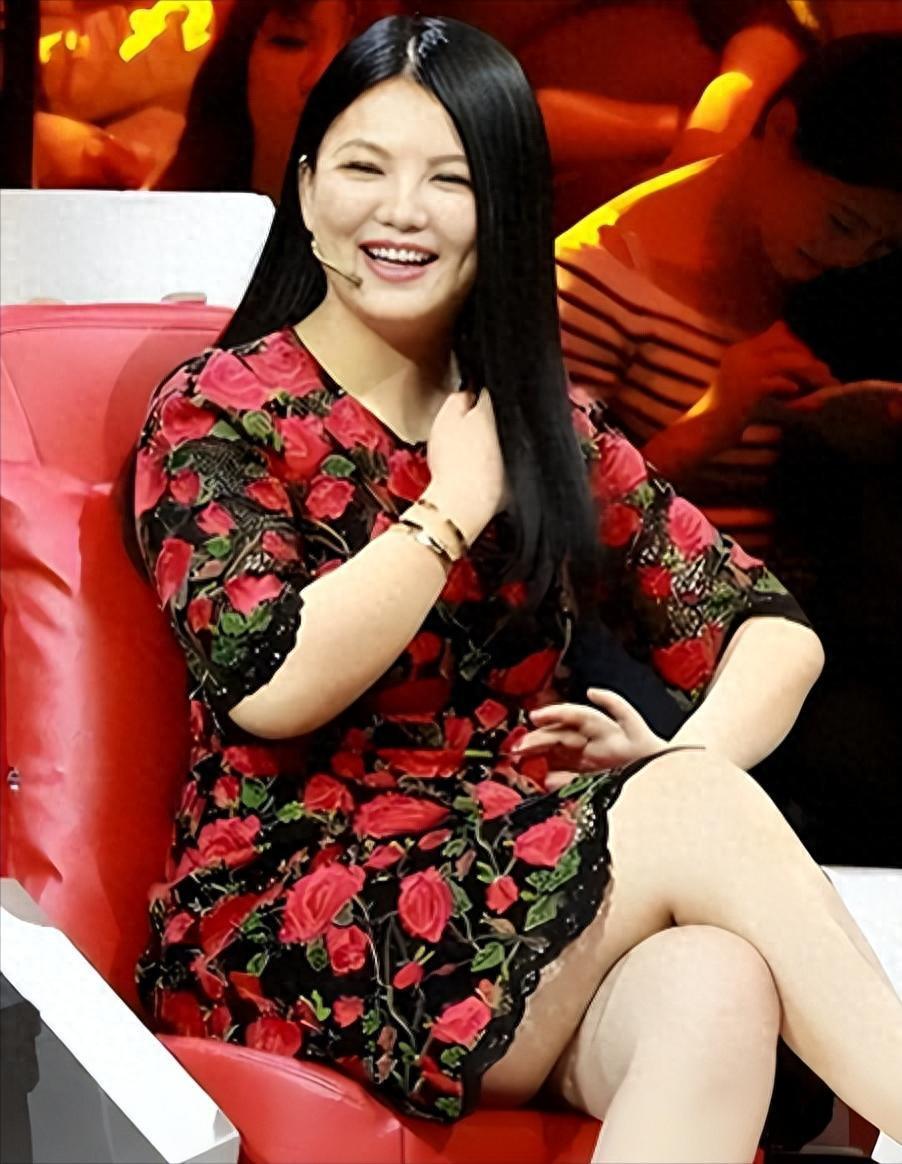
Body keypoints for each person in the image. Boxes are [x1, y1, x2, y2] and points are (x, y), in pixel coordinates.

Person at [130, 15, 902, 1160]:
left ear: (504, 208)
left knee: (713, 984)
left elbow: (768, 627)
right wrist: (447, 507)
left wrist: (677, 763)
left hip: (507, 887)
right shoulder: (217, 409)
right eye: (363, 167)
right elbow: (270, 682)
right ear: (304, 187)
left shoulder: (534, 417)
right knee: (695, 841)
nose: (401, 211)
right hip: (294, 909)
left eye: (449, 179)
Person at [556, 33, 902, 556]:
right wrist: (710, 423)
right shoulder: (594, 280)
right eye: (843, 223)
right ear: (781, 128)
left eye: (882, 246)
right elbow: (535, 536)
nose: (851, 256)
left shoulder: (826, 281)